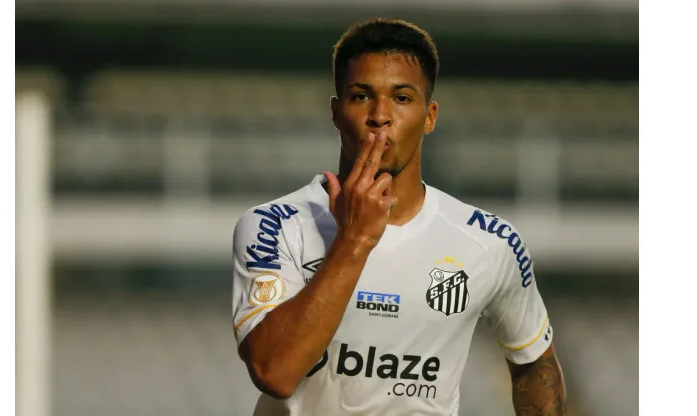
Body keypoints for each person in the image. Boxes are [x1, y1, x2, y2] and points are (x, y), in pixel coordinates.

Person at [231, 18, 566, 416]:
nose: (380, 115)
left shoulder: (490, 240)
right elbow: (274, 373)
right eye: (361, 96)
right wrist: (353, 242)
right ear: (336, 113)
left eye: (402, 98)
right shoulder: (275, 225)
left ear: (430, 116)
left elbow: (535, 365)